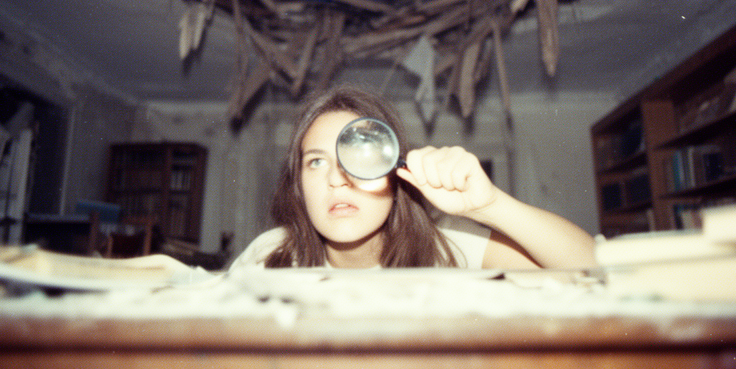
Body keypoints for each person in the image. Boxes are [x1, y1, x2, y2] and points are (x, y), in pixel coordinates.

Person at [230, 86, 596, 270]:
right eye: (315, 162)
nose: (337, 180)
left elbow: (595, 268)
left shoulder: (448, 249)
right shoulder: (270, 254)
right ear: (298, 187)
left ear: (394, 177)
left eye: (360, 156)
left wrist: (490, 206)